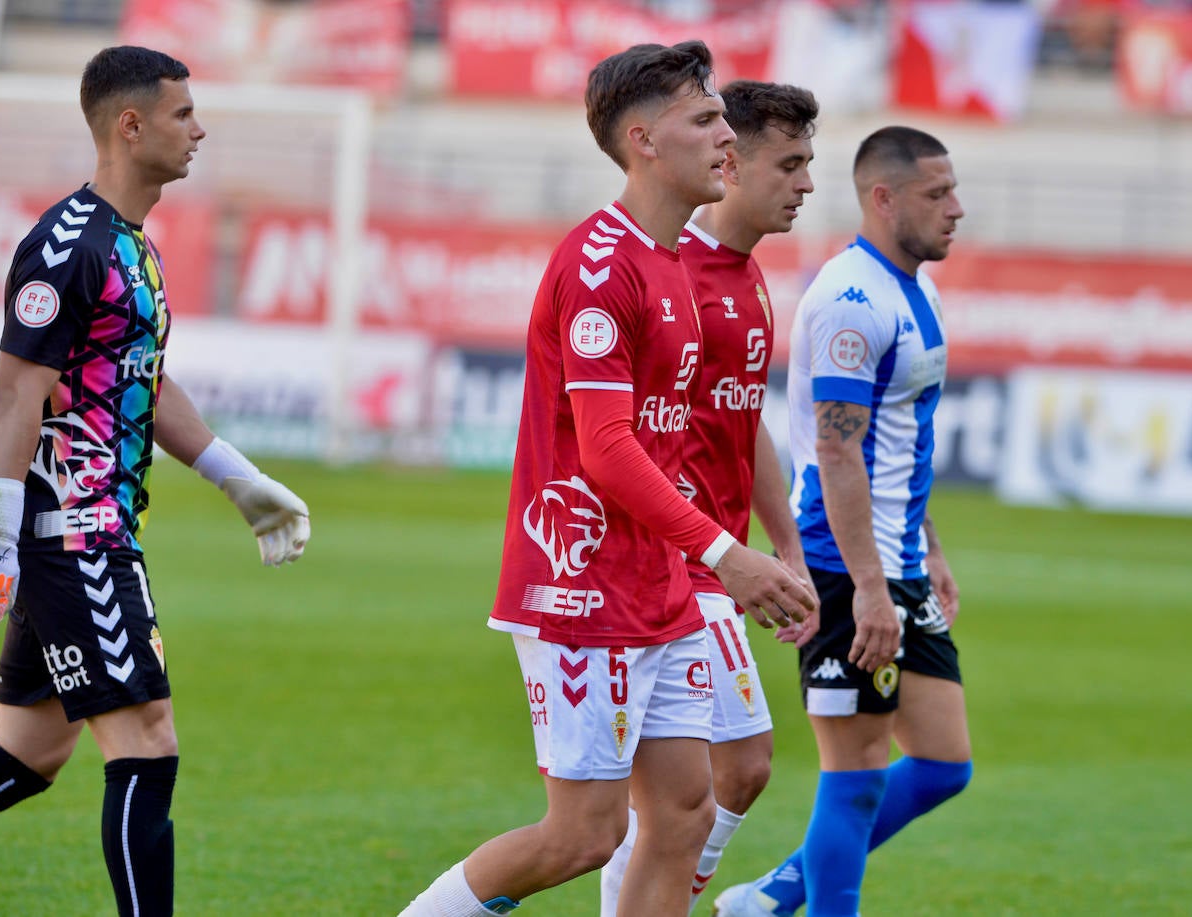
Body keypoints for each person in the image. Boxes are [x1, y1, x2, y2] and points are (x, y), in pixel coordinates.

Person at [397, 42, 816, 917]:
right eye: (704, 121)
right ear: (642, 141)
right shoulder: (600, 265)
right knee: (582, 833)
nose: (725, 141)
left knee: (686, 811)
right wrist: (725, 552)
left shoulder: (673, 266)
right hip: (581, 585)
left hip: (658, 583)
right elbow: (607, 449)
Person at [0, 46, 311, 916]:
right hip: (73, 534)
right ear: (131, 124)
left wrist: (239, 478)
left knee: (28, 752)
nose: (199, 129)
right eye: (182, 113)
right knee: (148, 746)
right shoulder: (66, 245)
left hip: (95, 530)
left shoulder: (131, 244)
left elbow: (142, 381)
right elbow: (17, 390)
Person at [712, 126, 973, 917]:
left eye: (954, 190)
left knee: (941, 763)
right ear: (882, 198)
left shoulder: (914, 288)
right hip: (844, 565)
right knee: (855, 777)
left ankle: (771, 897)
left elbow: (903, 439)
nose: (956, 209)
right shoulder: (850, 304)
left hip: (895, 559)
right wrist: (865, 586)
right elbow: (837, 453)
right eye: (937, 195)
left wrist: (926, 547)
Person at [598, 79, 821, 917]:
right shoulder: (672, 269)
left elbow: (741, 420)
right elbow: (623, 434)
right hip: (678, 562)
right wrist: (719, 553)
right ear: (732, 159)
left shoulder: (745, 275)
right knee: (719, 777)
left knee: (717, 780)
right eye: (790, 164)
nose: (804, 184)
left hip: (719, 557)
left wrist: (788, 543)